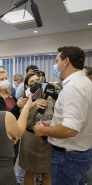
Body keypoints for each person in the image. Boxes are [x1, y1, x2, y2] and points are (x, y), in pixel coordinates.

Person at [34, 46, 92, 185]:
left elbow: (70, 129)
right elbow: (79, 119)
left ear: (66, 61)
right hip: (78, 153)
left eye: (56, 61)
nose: (55, 65)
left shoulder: (74, 87)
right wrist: (52, 123)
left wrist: (43, 130)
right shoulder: (85, 83)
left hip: (67, 156)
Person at [19, 72, 55, 185]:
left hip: (45, 141)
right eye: (32, 82)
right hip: (29, 140)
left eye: (37, 80)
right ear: (26, 86)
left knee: (47, 172)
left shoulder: (48, 98)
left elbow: (52, 117)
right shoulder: (24, 102)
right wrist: (34, 108)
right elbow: (24, 123)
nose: (36, 83)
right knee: (30, 172)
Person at [0, 68, 28, 165]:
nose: (5, 81)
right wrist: (17, 106)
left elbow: (17, 112)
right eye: (1, 79)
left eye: (6, 78)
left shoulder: (10, 95)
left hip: (15, 134)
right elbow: (4, 118)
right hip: (5, 137)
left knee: (13, 161)